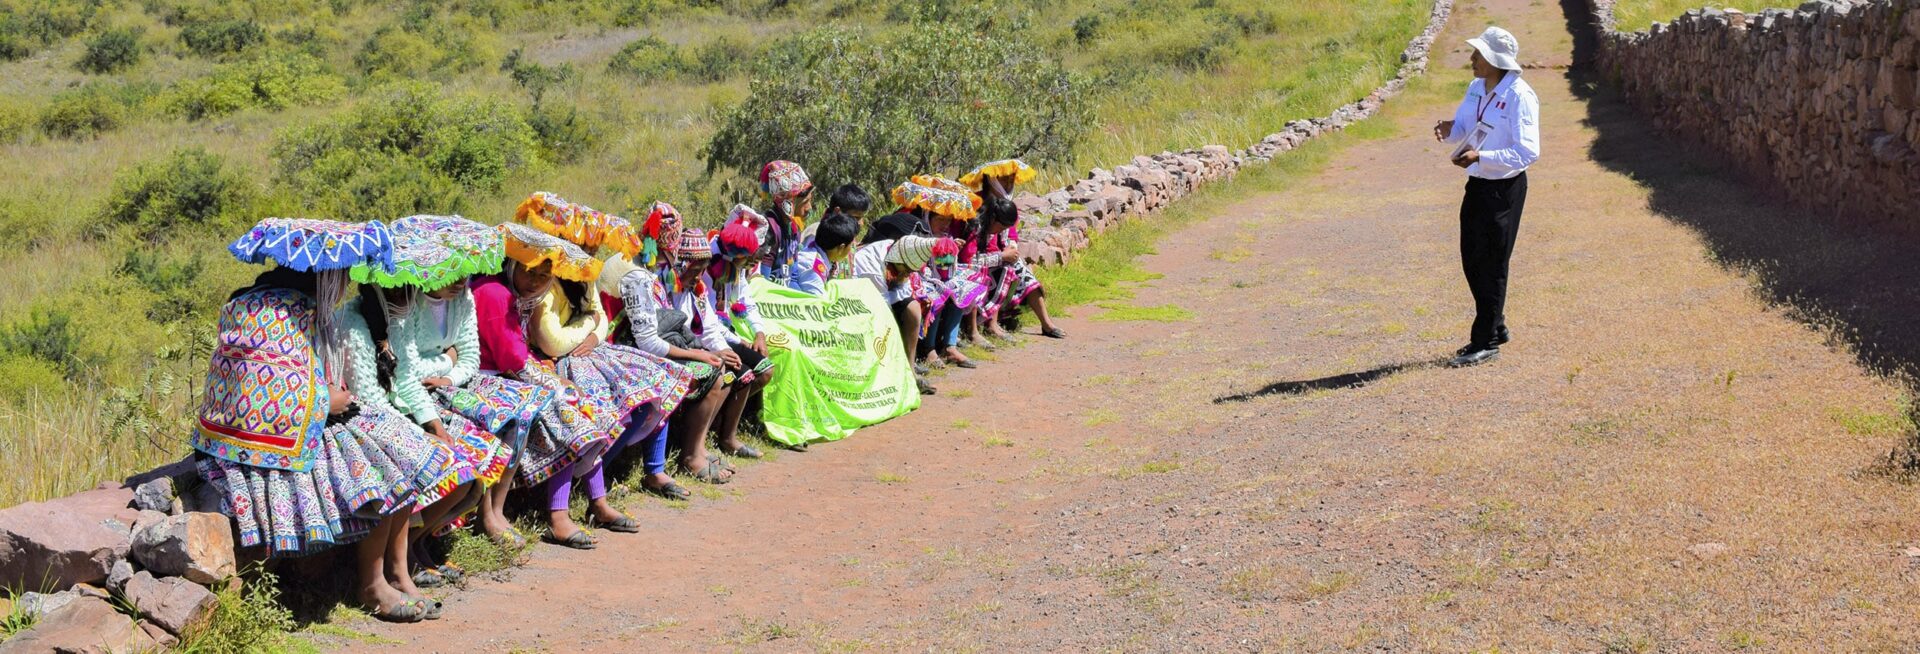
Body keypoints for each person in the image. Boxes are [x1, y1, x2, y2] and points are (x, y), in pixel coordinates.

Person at [194, 218, 439, 623]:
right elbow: (263, 390)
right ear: (322, 277)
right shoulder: (272, 313)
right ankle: (373, 584)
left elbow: (292, 375)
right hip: (265, 440)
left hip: (299, 423)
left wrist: (329, 397)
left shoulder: (266, 304)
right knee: (380, 466)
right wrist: (327, 400)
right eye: (340, 275)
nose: (343, 284)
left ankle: (396, 572)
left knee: (398, 440)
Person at [524, 241, 692, 541]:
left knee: (650, 380)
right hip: (552, 361)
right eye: (582, 244)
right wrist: (589, 326)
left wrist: (592, 330)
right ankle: (566, 509)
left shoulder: (583, 276)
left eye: (592, 246)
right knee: (586, 407)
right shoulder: (547, 284)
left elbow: (598, 320)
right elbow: (552, 342)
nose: (588, 250)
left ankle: (604, 495)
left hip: (586, 354)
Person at [471, 224, 621, 550]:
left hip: (508, 374)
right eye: (530, 272)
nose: (536, 280)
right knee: (564, 405)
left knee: (574, 401)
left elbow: (519, 352)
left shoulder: (520, 295)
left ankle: (552, 509)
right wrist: (552, 380)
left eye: (544, 275)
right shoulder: (496, 294)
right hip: (487, 376)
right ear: (512, 265)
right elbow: (511, 357)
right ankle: (533, 514)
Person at [597, 201, 736, 492]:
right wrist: (696, 353)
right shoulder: (635, 274)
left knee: (715, 370)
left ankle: (663, 466)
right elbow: (648, 341)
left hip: (635, 344)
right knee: (676, 377)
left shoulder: (644, 267)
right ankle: (618, 471)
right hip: (615, 348)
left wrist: (704, 351)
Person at [1433, 25, 1540, 368]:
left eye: (1478, 54)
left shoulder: (1521, 96)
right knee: (1472, 259)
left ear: (1496, 60)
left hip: (1504, 189)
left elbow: (1527, 151)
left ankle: (1486, 340)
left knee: (1492, 264)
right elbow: (1467, 128)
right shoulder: (1476, 88)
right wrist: (1452, 129)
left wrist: (1483, 158)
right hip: (1477, 185)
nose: (1472, 59)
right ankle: (1497, 322)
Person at [703, 208, 778, 459]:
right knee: (745, 373)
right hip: (707, 334)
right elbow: (707, 317)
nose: (751, 265)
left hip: (724, 332)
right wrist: (737, 340)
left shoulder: (736, 263)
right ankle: (722, 435)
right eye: (749, 259)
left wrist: (759, 334)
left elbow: (745, 300)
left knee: (765, 369)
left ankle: (721, 428)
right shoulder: (709, 264)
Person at [962, 160, 1066, 340]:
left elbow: (1011, 235)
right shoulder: (976, 206)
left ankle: (1046, 323)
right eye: (1004, 181)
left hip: (1001, 255)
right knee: (1004, 271)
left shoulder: (1007, 205)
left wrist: (1012, 249)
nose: (1009, 185)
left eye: (1011, 181)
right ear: (992, 180)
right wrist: (1002, 256)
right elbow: (970, 254)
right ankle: (988, 324)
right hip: (979, 259)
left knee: (1024, 273)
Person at [852, 234, 942, 394]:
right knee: (887, 318)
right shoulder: (872, 262)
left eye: (911, 271)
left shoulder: (903, 256)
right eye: (906, 270)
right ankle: (885, 371)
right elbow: (881, 303)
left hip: (885, 294)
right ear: (898, 261)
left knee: (913, 308)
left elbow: (904, 291)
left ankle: (909, 368)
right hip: (861, 299)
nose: (908, 274)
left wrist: (900, 284)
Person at [758, 160, 814, 286]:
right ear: (788, 202)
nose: (809, 208)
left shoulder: (794, 229)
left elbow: (792, 277)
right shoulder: (769, 229)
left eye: (810, 201)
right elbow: (762, 281)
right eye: (805, 202)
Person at [788, 212, 860, 296]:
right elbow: (816, 303)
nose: (851, 249)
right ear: (841, 248)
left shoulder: (815, 253)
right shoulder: (813, 267)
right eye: (851, 245)